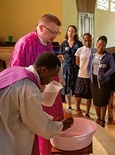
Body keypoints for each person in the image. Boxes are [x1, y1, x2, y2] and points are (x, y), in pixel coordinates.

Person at [9, 14, 63, 155]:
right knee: (36, 128)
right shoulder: (25, 43)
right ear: (40, 27)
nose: (55, 36)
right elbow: (15, 71)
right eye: (53, 32)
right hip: (30, 96)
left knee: (50, 125)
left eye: (57, 33)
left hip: (48, 94)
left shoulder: (49, 44)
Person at [0, 52, 74, 155]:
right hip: (5, 140)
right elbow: (39, 125)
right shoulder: (30, 89)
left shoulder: (16, 70)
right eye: (52, 75)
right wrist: (61, 126)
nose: (52, 80)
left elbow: (29, 111)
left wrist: (51, 119)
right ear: (43, 70)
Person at [88, 35, 115, 127]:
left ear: (105, 46)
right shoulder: (92, 55)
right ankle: (98, 117)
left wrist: (104, 75)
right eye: (99, 45)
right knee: (96, 100)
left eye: (103, 45)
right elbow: (89, 67)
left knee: (103, 101)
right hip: (94, 81)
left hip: (104, 81)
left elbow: (113, 68)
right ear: (96, 44)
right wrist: (90, 76)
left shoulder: (108, 56)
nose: (101, 47)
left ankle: (103, 119)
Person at [58, 25, 83, 110]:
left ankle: (77, 106)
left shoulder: (79, 44)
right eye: (69, 31)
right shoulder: (63, 43)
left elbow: (81, 55)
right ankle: (69, 105)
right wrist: (63, 59)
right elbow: (61, 54)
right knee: (66, 86)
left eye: (72, 31)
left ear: (75, 33)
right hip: (66, 67)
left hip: (75, 67)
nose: (70, 33)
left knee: (76, 86)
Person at [74, 33, 96, 117]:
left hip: (90, 76)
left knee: (89, 95)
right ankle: (77, 108)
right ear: (83, 40)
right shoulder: (80, 50)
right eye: (86, 41)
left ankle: (87, 112)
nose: (87, 42)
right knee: (78, 93)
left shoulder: (94, 50)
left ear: (91, 40)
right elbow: (77, 62)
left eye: (89, 40)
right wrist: (83, 67)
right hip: (81, 74)